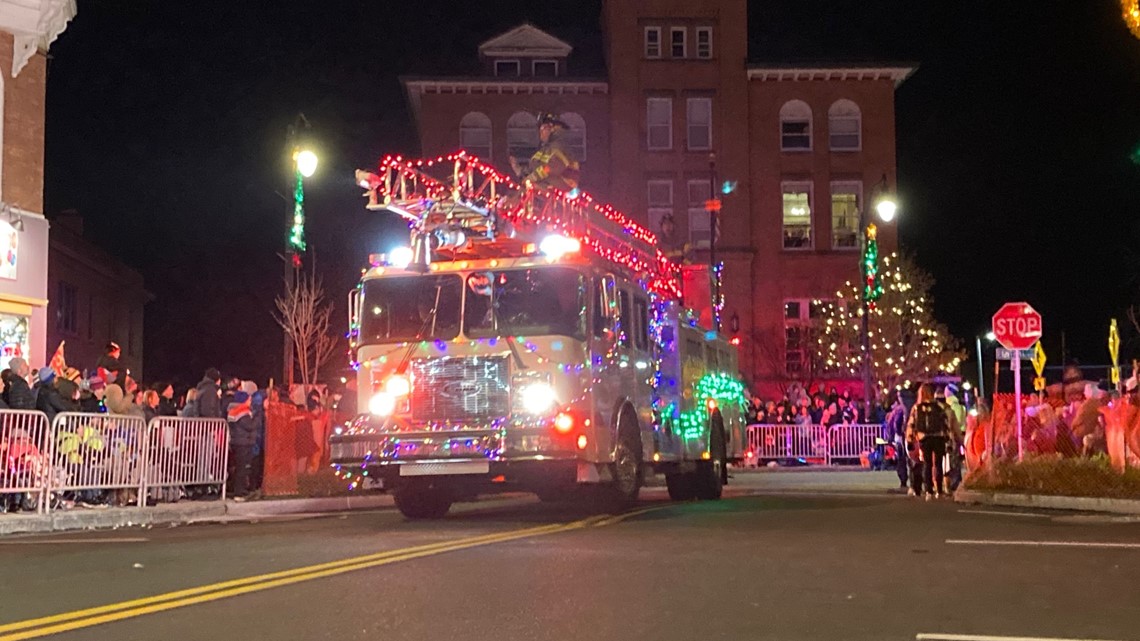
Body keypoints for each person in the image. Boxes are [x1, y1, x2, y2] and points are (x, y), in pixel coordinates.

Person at [508, 112, 581, 192]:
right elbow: (535, 166)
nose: (540, 133)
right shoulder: (545, 149)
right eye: (540, 129)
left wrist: (533, 177)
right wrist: (520, 171)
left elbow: (551, 168)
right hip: (549, 185)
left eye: (543, 128)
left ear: (553, 128)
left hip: (564, 185)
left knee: (530, 187)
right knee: (525, 188)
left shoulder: (559, 146)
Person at [906, 383, 953, 500]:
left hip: (924, 438)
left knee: (927, 464)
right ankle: (940, 491)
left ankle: (929, 491)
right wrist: (948, 439)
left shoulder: (917, 408)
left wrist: (910, 439)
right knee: (938, 464)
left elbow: (911, 424)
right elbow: (945, 424)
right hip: (938, 437)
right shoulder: (939, 407)